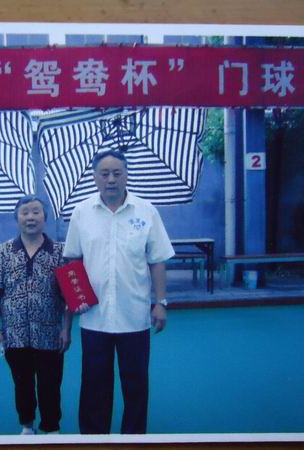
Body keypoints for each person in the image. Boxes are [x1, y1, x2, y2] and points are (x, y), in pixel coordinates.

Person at [63, 150, 175, 434]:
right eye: (105, 174)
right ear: (95, 177)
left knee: (136, 384)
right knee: (94, 385)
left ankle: (134, 438)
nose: (111, 179)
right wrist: (76, 298)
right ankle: (93, 438)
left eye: (117, 173)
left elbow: (157, 260)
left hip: (134, 315)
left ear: (126, 175)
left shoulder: (146, 211)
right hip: (94, 317)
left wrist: (160, 302)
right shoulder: (81, 212)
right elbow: (72, 259)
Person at [0, 195, 72, 435]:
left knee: (50, 383)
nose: (30, 217)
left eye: (36, 212)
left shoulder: (59, 252)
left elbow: (69, 296)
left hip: (49, 333)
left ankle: (52, 428)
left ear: (45, 217)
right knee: (21, 382)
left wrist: (66, 329)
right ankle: (27, 425)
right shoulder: (4, 251)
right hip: (14, 334)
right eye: (25, 212)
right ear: (17, 218)